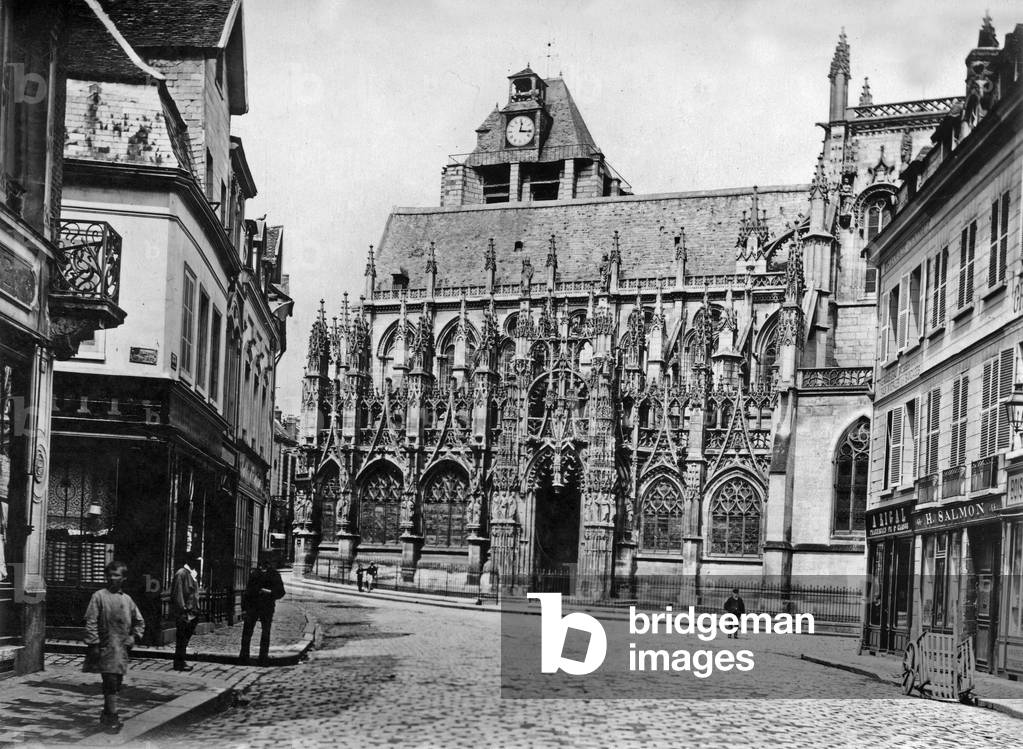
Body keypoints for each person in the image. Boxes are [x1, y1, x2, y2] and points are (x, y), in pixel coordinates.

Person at [83, 560, 146, 734]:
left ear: (123, 578)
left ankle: (106, 713)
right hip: (105, 646)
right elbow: (91, 621)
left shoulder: (127, 600)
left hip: (122, 648)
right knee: (110, 681)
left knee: (116, 682)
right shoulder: (99, 596)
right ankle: (112, 716)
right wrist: (93, 644)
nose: (112, 578)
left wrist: (134, 636)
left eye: (116, 575)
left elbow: (139, 621)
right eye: (109, 575)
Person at [239, 556, 286, 666]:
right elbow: (247, 592)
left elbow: (281, 592)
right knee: (248, 631)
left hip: (266, 607)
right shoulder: (255, 574)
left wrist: (269, 592)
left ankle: (262, 658)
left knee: (264, 632)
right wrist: (244, 608)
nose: (264, 565)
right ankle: (244, 656)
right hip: (254, 606)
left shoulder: (274, 575)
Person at [170, 551, 201, 671]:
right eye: (195, 560)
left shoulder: (191, 574)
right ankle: (179, 663)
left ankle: (181, 661)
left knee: (184, 639)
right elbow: (178, 595)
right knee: (181, 639)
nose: (197, 563)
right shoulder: (181, 574)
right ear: (189, 561)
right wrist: (183, 611)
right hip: (184, 614)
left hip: (192, 613)